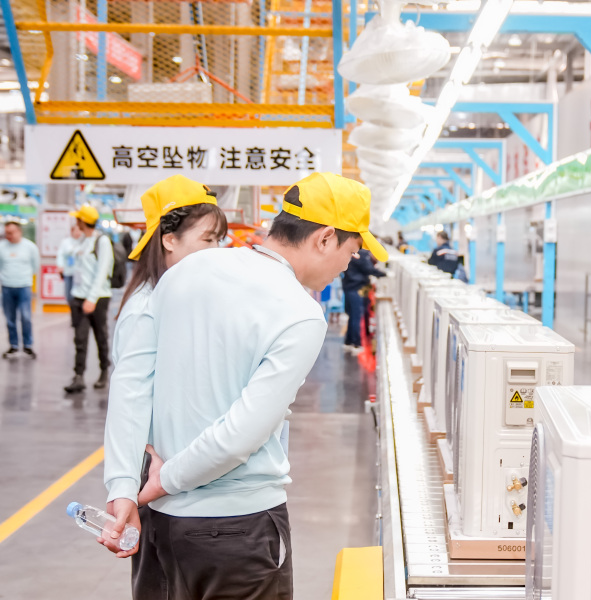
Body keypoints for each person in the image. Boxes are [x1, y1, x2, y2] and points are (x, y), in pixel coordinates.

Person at [102, 172, 388, 599]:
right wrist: (164, 481)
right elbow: (242, 434)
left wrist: (124, 486)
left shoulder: (188, 270)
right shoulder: (300, 313)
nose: (348, 263)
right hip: (238, 528)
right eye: (352, 250)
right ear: (325, 238)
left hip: (161, 523)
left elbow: (131, 383)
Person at [111, 175, 226, 600]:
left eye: (220, 240)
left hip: (184, 465)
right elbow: (129, 401)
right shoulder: (146, 307)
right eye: (208, 239)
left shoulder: (184, 299)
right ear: (169, 239)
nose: (217, 250)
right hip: (159, 468)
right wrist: (123, 487)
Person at [65, 204, 113, 393]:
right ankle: (78, 376)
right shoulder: (83, 241)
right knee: (80, 338)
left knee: (101, 336)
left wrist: (92, 298)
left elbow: (102, 272)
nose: (75, 221)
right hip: (79, 297)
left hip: (98, 298)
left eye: (78, 218)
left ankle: (104, 372)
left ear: (83, 221)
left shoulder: (102, 241)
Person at [0, 221, 40, 359]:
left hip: (24, 287)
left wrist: (26, 278)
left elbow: (35, 266)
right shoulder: (2, 247)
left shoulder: (30, 247)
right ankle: (14, 345)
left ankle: (28, 345)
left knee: (26, 317)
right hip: (7, 287)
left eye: (11, 233)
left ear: (19, 231)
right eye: (7, 233)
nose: (9, 236)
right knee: (10, 318)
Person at [341, 248, 385, 353]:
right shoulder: (363, 255)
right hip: (355, 288)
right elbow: (369, 269)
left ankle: (348, 342)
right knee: (356, 316)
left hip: (350, 287)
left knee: (352, 316)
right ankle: (356, 344)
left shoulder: (359, 254)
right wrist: (385, 274)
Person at [56, 223, 83, 313]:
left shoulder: (83, 241)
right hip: (69, 272)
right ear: (72, 231)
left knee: (79, 294)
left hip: (80, 274)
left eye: (80, 230)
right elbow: (60, 255)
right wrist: (60, 266)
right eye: (76, 230)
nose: (78, 233)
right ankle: (73, 310)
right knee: (68, 294)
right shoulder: (65, 242)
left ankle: (77, 312)